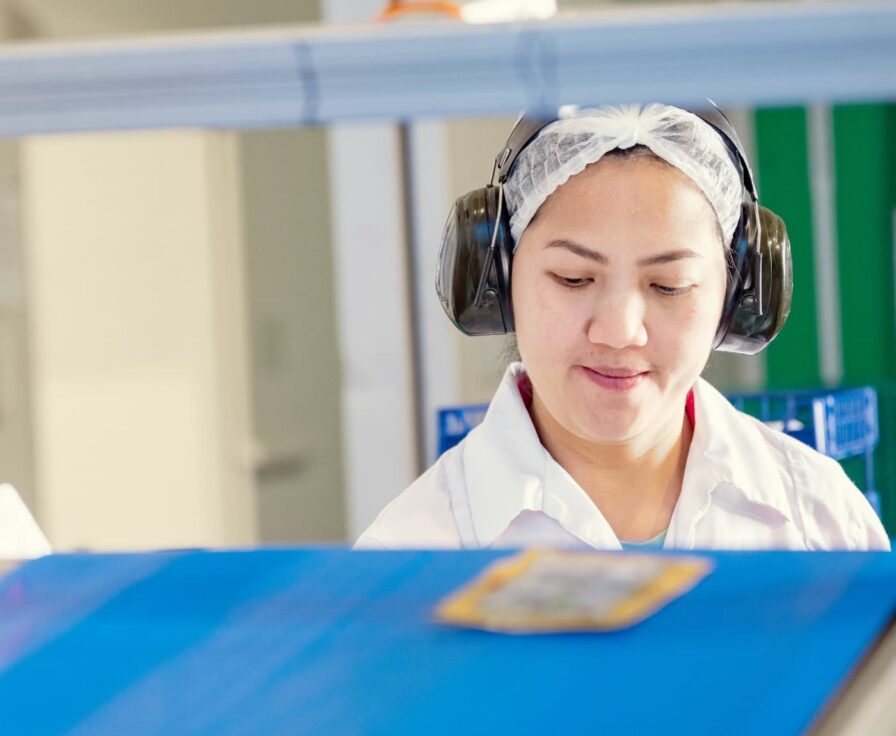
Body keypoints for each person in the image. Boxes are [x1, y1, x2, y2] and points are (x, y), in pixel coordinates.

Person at [355, 103, 889, 551]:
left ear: (739, 296)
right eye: (573, 278)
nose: (619, 332)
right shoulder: (412, 550)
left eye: (669, 285)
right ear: (497, 280)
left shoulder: (822, 523)